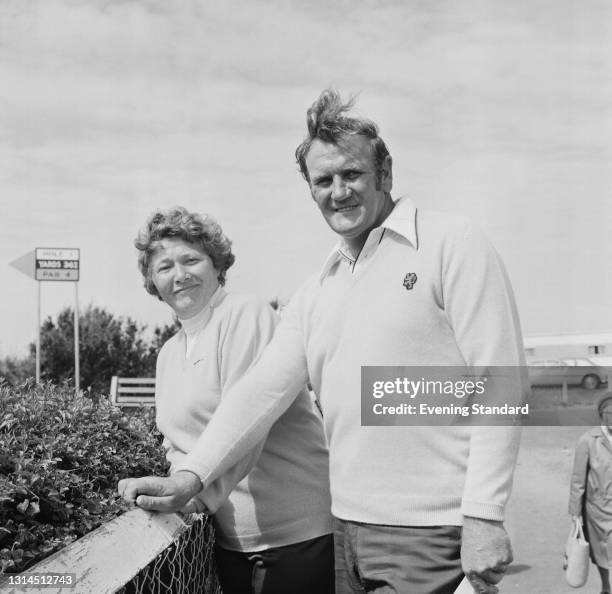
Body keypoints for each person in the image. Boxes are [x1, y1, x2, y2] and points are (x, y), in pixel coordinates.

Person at [121, 90, 526, 594]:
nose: (339, 192)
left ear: (386, 173)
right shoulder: (318, 288)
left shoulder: (451, 242)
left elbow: (501, 384)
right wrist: (190, 479)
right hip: (345, 532)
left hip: (430, 532)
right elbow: (260, 393)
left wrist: (485, 515)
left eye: (351, 174)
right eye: (323, 180)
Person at [118, 207, 334, 594]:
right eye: (164, 266)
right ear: (152, 282)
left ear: (217, 266)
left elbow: (248, 424)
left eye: (191, 260)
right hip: (231, 540)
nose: (179, 275)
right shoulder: (168, 354)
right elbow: (177, 443)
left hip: (296, 538)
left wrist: (190, 492)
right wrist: (181, 492)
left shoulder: (245, 315)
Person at [569, 392, 612, 594]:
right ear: (601, 415)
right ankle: (606, 586)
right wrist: (575, 513)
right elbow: (578, 480)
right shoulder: (588, 440)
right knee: (603, 552)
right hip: (599, 510)